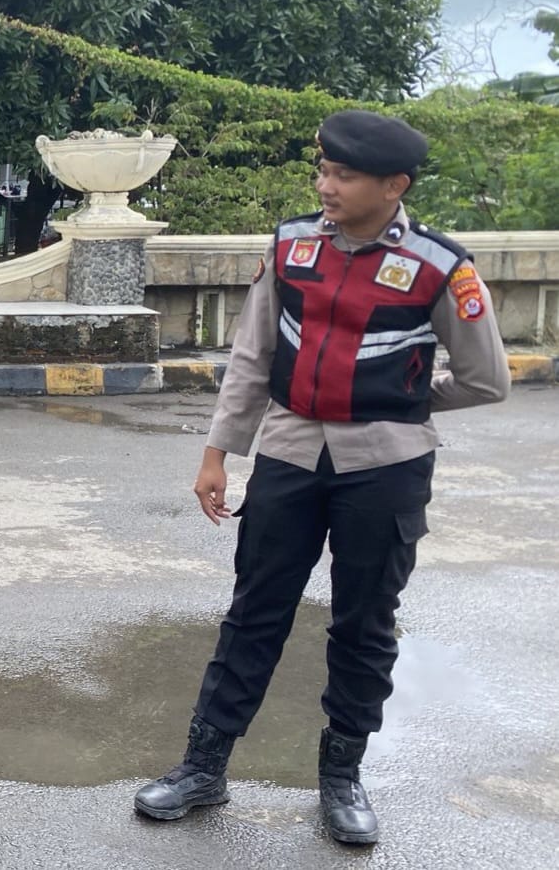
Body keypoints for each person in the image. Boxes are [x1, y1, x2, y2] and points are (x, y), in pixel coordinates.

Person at [133, 110, 511, 844]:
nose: (325, 186)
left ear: (394, 186)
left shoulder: (440, 266)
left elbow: (485, 379)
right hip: (289, 453)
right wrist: (218, 452)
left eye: (344, 175)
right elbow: (252, 357)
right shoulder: (292, 246)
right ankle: (203, 768)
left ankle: (341, 779)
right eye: (324, 171)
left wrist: (403, 397)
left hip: (386, 466)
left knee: (364, 622)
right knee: (255, 610)